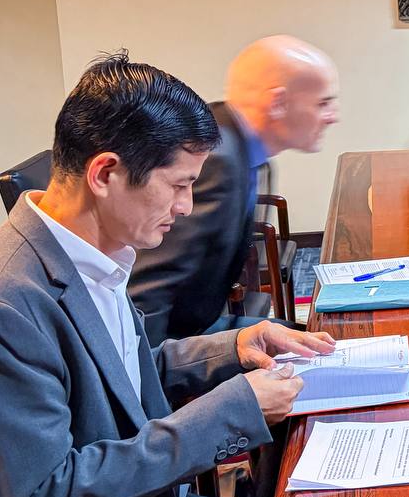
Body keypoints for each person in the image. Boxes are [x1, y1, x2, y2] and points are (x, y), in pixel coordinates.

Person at [0, 53, 334, 497]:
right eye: (180, 184)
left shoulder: (88, 251)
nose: (189, 206)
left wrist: (231, 350)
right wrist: (234, 413)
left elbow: (117, 378)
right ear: (106, 172)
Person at [129, 35, 339, 342]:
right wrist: (155, 384)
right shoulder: (216, 161)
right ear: (279, 103)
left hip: (199, 328)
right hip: (174, 348)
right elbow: (148, 295)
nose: (333, 116)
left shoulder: (234, 142)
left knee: (320, 339)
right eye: (323, 103)